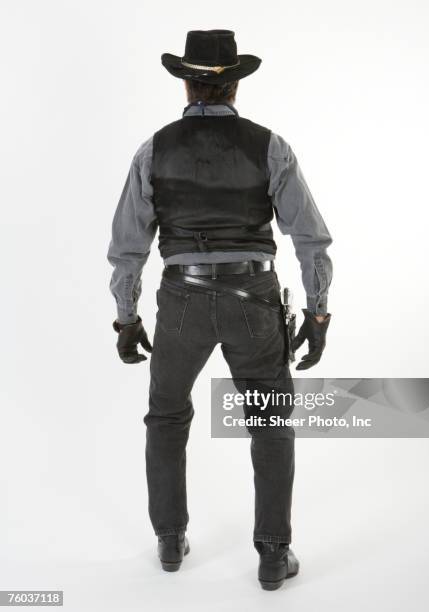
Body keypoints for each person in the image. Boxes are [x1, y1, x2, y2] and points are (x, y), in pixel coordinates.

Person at [108, 29, 333, 591]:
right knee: (270, 421)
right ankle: (275, 554)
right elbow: (310, 238)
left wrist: (127, 317)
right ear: (235, 84)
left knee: (166, 417)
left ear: (186, 83)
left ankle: (168, 539)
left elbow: (128, 247)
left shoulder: (152, 150)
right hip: (253, 301)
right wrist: (318, 311)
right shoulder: (270, 146)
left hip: (180, 300)